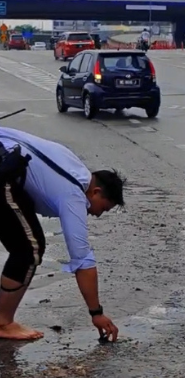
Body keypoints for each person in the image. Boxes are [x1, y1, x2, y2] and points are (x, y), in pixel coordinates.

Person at [0, 128, 124, 341]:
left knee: (27, 243)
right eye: (102, 209)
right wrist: (97, 313)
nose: (95, 214)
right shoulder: (74, 194)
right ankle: (3, 323)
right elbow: (82, 260)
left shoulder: (72, 162)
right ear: (96, 192)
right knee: (30, 249)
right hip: (3, 172)